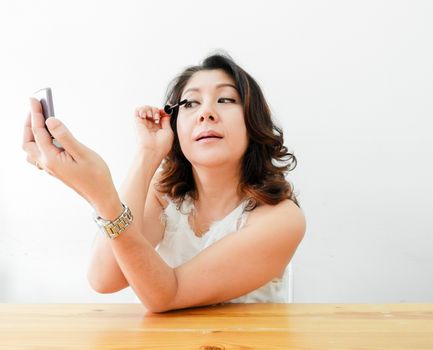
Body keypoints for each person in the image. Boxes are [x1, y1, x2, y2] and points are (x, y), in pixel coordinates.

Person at [23, 52, 306, 313]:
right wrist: (147, 155)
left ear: (252, 121)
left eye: (225, 100)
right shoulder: (166, 195)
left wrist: (100, 196)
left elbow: (168, 294)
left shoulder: (282, 218)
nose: (205, 113)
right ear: (175, 127)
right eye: (191, 103)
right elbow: (104, 277)